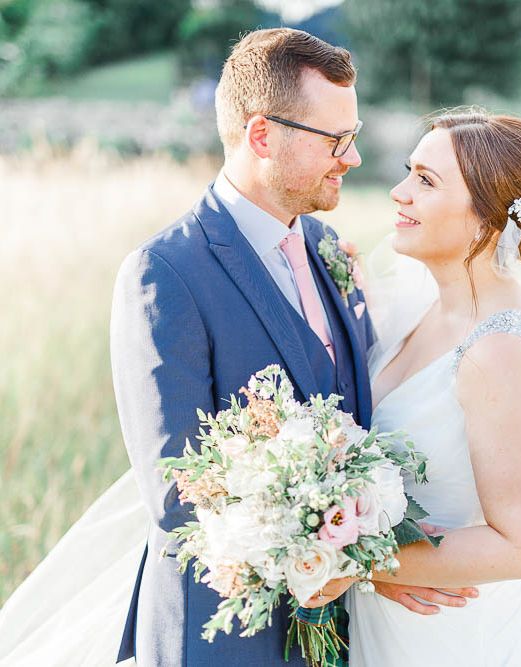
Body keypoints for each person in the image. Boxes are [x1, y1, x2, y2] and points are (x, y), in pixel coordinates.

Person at [0, 28, 474, 667]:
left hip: (335, 635)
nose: (353, 159)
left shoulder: (329, 250)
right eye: (336, 140)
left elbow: (357, 421)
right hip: (222, 639)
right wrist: (368, 565)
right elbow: (180, 498)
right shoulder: (165, 274)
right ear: (261, 135)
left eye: (353, 136)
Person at [332, 109, 521, 665]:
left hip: (454, 634)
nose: (399, 192)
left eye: (426, 182)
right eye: (410, 171)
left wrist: (345, 561)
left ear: (487, 220)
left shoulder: (500, 353)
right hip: (392, 620)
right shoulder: (423, 306)